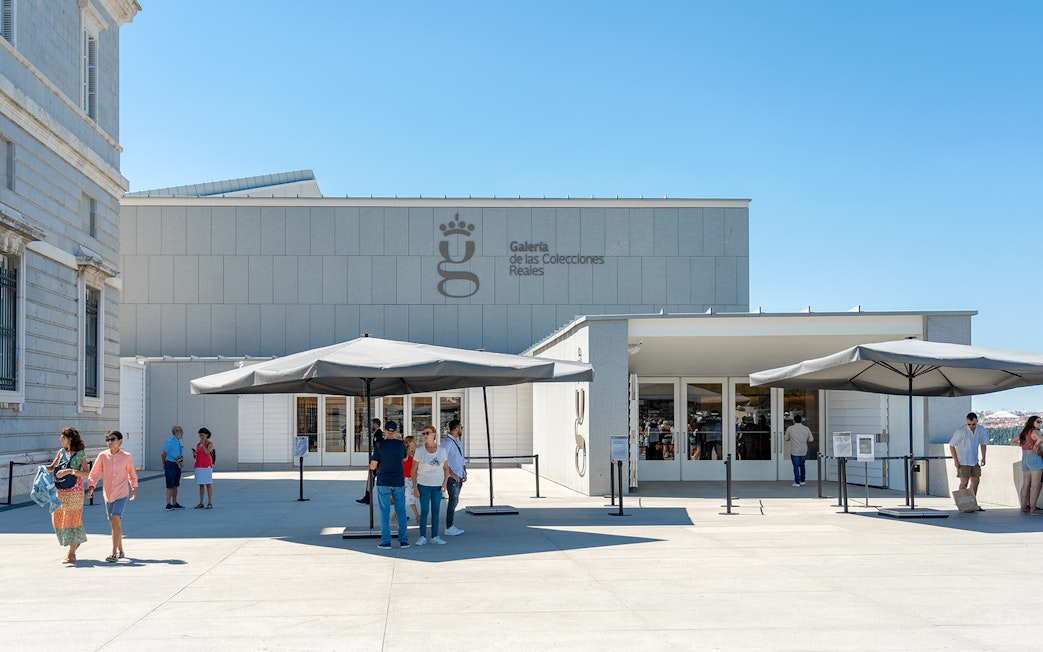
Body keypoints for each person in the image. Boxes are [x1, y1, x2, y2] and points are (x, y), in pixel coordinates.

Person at [87, 430, 138, 562]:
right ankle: (121, 550)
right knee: (114, 524)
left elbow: (131, 473)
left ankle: (113, 553)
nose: (109, 442)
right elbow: (95, 472)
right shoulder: (103, 456)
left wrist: (134, 487)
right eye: (107, 439)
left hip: (122, 493)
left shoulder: (126, 456)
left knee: (115, 519)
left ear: (120, 441)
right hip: (108, 494)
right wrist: (91, 487)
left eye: (112, 439)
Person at [47, 426, 89, 563]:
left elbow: (86, 472)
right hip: (60, 491)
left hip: (75, 492)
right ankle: (76, 541)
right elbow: (52, 467)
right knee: (57, 518)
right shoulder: (61, 452)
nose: (60, 439)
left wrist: (70, 471)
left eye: (63, 437)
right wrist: (42, 468)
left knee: (71, 520)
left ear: (69, 439)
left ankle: (71, 554)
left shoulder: (80, 454)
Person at [370, 420, 408, 549]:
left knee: (384, 512)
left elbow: (373, 465)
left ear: (385, 431)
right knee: (401, 511)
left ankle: (386, 542)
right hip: (398, 481)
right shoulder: (401, 444)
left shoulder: (379, 445)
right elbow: (405, 458)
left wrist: (370, 465)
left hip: (384, 482)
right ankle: (404, 541)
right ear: (395, 431)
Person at [412, 425, 449, 545]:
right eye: (423, 434)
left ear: (434, 434)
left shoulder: (442, 450)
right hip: (423, 485)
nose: (424, 436)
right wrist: (415, 487)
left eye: (427, 433)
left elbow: (446, 468)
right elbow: (413, 471)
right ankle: (422, 536)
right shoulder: (420, 451)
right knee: (424, 510)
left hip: (437, 486)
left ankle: (435, 536)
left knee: (436, 510)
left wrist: (444, 483)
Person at [949, 412, 988, 507]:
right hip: (963, 461)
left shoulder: (981, 430)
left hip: (974, 460)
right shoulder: (961, 431)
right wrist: (956, 461)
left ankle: (972, 503)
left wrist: (984, 457)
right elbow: (952, 445)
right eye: (969, 424)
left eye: (973, 424)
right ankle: (962, 503)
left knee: (975, 481)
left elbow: (983, 443)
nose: (971, 426)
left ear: (977, 421)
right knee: (964, 483)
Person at [440, 419, 467, 536]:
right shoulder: (447, 443)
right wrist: (452, 474)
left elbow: (461, 458)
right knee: (452, 501)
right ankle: (449, 527)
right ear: (456, 429)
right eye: (461, 428)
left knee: (455, 501)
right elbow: (443, 460)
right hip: (452, 477)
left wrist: (464, 471)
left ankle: (451, 525)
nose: (461, 430)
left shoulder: (457, 441)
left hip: (459, 475)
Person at [1011, 416, 1043, 514]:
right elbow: (1040, 439)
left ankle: (1024, 507)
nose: (1040, 423)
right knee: (1035, 485)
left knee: (1026, 484)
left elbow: (1012, 441)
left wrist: (1021, 445)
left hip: (1025, 456)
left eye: (1041, 421)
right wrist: (1036, 446)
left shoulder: (1024, 432)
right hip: (1034, 457)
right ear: (1032, 422)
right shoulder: (1035, 432)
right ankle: (1033, 508)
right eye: (1038, 421)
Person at [356, 418, 384, 505]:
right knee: (371, 479)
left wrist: (373, 460)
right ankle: (367, 497)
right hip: (379, 459)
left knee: (371, 478)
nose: (371, 426)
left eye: (372, 424)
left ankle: (367, 498)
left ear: (376, 425)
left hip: (377, 460)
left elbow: (378, 447)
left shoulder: (378, 434)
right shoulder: (379, 433)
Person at [784, 414, 815, 487]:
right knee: (802, 465)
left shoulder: (790, 428)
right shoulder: (806, 428)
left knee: (796, 466)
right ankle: (803, 480)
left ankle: (797, 482)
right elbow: (811, 439)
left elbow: (786, 438)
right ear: (801, 421)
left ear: (794, 421)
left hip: (794, 450)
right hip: (804, 450)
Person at [161, 425, 185, 509]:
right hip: (170, 464)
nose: (182, 432)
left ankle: (174, 502)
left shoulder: (177, 441)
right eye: (180, 430)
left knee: (176, 485)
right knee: (170, 485)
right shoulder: (170, 441)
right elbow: (163, 454)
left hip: (177, 464)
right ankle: (168, 503)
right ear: (175, 431)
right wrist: (164, 463)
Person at [192, 427, 215, 509]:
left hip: (207, 466)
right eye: (200, 435)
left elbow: (207, 452)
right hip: (199, 466)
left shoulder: (210, 444)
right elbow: (198, 454)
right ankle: (201, 502)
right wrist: (195, 454)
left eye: (202, 435)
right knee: (201, 485)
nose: (201, 437)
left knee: (208, 484)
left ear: (207, 435)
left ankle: (209, 502)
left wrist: (203, 444)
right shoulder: (198, 444)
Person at [401, 435, 421, 523]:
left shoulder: (416, 452)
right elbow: (404, 460)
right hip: (405, 478)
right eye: (413, 441)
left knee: (406, 498)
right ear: (408, 443)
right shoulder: (404, 452)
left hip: (413, 477)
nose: (415, 443)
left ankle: (394, 516)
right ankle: (417, 516)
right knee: (410, 497)